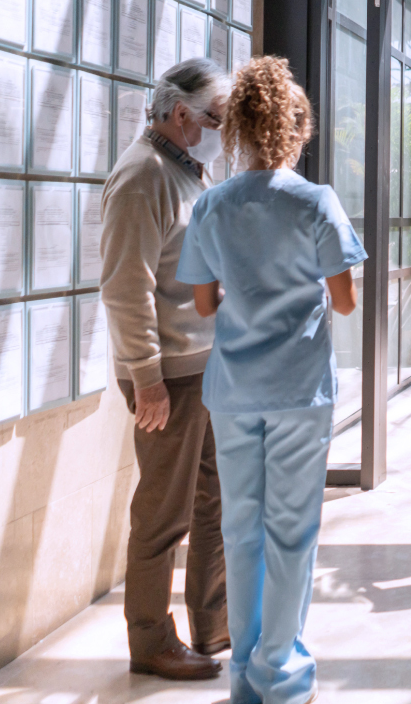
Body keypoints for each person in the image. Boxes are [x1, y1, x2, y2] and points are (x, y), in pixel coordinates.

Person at [176, 57, 368, 704]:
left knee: (241, 528)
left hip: (232, 390)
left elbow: (204, 305)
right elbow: (343, 302)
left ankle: (243, 680)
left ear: (237, 129)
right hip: (297, 389)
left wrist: (247, 286)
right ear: (296, 127)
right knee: (291, 532)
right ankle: (279, 674)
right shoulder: (316, 203)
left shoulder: (212, 205)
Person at [100, 58, 230, 680]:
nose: (222, 132)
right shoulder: (141, 176)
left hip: (201, 367)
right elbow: (126, 287)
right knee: (163, 512)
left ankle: (212, 624)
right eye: (217, 120)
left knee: (213, 501)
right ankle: (150, 639)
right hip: (169, 377)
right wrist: (146, 376)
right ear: (182, 115)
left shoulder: (185, 171)